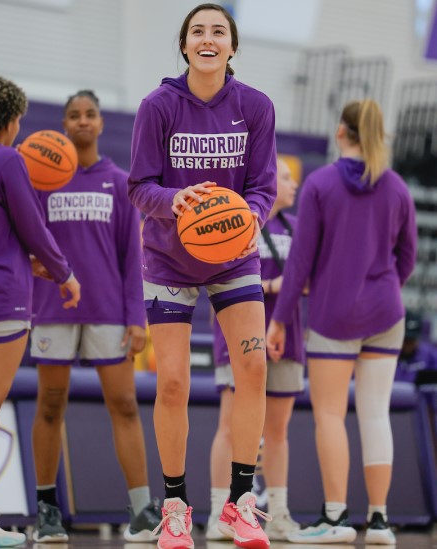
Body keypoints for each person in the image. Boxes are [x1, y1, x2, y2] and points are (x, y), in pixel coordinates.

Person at [128, 4, 277, 549]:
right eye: (198, 31)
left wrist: (248, 218)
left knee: (254, 367)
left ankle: (240, 504)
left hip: (234, 256)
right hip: (169, 257)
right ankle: (174, 507)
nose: (208, 38)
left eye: (219, 31)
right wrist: (176, 200)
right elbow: (139, 186)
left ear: (232, 47)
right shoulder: (158, 106)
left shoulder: (256, 107)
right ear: (185, 46)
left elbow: (263, 189)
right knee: (172, 382)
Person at [267, 99, 417, 545]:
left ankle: (336, 519)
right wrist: (383, 286)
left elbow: (299, 261)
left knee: (330, 414)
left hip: (334, 314)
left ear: (340, 132)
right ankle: (380, 522)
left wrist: (278, 319)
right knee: (376, 415)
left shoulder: (321, 183)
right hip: (387, 313)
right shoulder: (396, 187)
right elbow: (406, 259)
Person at [30, 90, 161, 543]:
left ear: (101, 124)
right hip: (52, 309)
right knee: (49, 405)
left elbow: (132, 258)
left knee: (124, 405)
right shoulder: (41, 181)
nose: (82, 121)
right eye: (73, 115)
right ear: (63, 125)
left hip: (108, 309)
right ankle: (47, 510)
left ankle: (143, 510)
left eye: (90, 115)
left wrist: (136, 317)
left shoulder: (121, 184)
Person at [0, 75, 80, 547]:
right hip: (1, 300)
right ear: (10, 121)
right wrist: (64, 272)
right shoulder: (7, 159)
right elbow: (33, 226)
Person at [206, 158, 304, 541]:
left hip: (289, 336)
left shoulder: (297, 229)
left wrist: (279, 288)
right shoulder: (232, 221)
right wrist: (276, 286)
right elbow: (219, 279)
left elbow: (309, 281)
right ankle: (219, 511)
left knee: (278, 431)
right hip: (237, 337)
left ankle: (278, 513)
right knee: (228, 427)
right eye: (285, 176)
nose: (292, 184)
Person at [395, 309, 437, 384]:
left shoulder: (431, 355)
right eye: (405, 339)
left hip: (421, 396)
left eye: (411, 340)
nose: (407, 344)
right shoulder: (388, 354)